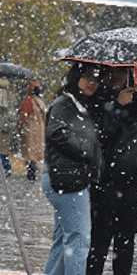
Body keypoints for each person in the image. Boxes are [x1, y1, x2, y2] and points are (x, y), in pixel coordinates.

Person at [87, 67, 137, 275]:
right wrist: (116, 107)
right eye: (110, 72)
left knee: (126, 236)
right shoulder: (96, 101)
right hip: (106, 180)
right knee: (100, 236)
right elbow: (99, 136)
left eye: (120, 72)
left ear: (130, 75)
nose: (115, 77)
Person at [42, 62, 103, 275]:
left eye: (96, 78)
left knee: (63, 240)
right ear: (76, 77)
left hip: (68, 178)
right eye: (87, 77)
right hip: (66, 179)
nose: (92, 82)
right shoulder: (65, 103)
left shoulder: (79, 105)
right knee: (78, 239)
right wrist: (85, 150)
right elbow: (55, 132)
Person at [15, 82, 47, 181]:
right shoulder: (40, 102)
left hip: (27, 130)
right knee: (35, 151)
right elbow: (45, 117)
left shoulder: (25, 102)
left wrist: (19, 129)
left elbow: (21, 117)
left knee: (29, 152)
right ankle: (33, 168)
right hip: (38, 131)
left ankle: (31, 169)